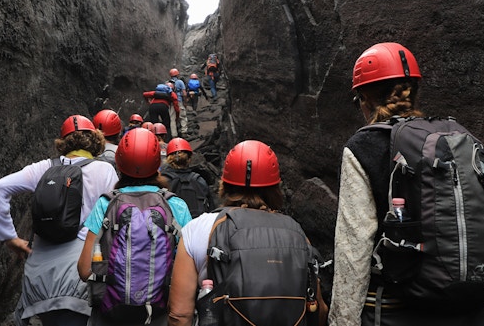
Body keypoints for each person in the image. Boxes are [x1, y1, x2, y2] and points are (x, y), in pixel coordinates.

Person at [329, 42, 484, 326]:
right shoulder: (457, 136)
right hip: (468, 308)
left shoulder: (364, 145)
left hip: (397, 310)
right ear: (413, 92)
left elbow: (353, 248)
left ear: (365, 98)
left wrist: (341, 321)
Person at [168, 140, 328, 326]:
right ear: (275, 187)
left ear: (225, 184)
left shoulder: (197, 229)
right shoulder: (297, 234)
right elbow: (319, 309)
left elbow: (179, 315)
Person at [0, 115, 119, 326]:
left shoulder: (43, 168)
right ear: (95, 140)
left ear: (63, 142)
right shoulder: (105, 171)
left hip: (39, 280)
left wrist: (9, 237)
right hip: (79, 276)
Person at [77, 127, 192, 326]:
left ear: (119, 162)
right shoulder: (176, 205)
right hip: (160, 313)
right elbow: (191, 269)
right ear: (158, 162)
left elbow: (85, 269)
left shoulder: (106, 204)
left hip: (111, 314)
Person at [160, 137, 214, 218]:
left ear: (168, 159)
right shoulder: (199, 181)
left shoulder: (162, 181)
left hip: (172, 228)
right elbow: (211, 209)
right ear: (189, 159)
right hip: (198, 227)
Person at [169, 68, 188, 137]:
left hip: (171, 103)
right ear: (177, 74)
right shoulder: (180, 82)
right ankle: (184, 132)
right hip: (179, 101)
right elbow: (184, 93)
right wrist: (185, 102)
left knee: (172, 119)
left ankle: (174, 135)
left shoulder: (168, 83)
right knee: (183, 116)